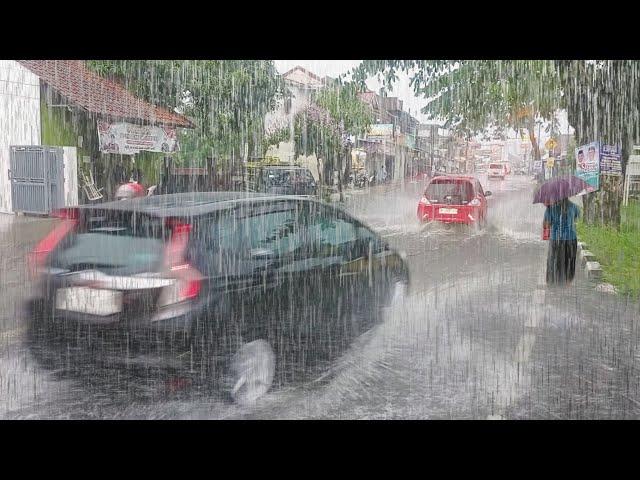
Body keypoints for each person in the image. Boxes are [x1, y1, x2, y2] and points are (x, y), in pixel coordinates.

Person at [543, 198, 580, 285]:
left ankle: (551, 282)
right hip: (571, 239)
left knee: (553, 260)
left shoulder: (550, 208)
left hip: (556, 239)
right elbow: (575, 219)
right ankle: (567, 282)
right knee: (570, 261)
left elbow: (546, 225)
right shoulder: (574, 207)